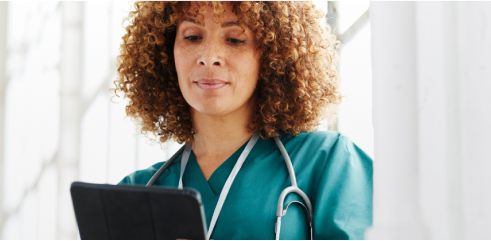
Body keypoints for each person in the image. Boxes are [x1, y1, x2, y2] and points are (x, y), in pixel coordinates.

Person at [113, 0, 372, 239]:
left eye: (235, 39)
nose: (209, 56)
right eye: (192, 37)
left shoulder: (327, 162)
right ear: (167, 52)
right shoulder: (137, 191)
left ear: (272, 56)